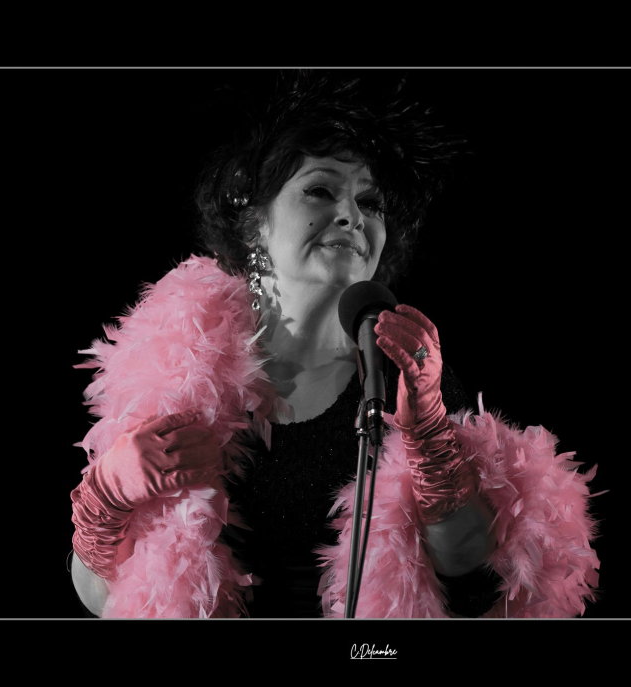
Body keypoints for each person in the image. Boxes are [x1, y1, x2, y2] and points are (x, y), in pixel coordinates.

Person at [69, 71, 603, 618]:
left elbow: (473, 577)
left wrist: (432, 446)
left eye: (371, 203)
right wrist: (106, 496)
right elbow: (101, 595)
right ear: (253, 218)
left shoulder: (406, 378)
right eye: (321, 190)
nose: (352, 215)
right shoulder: (173, 364)